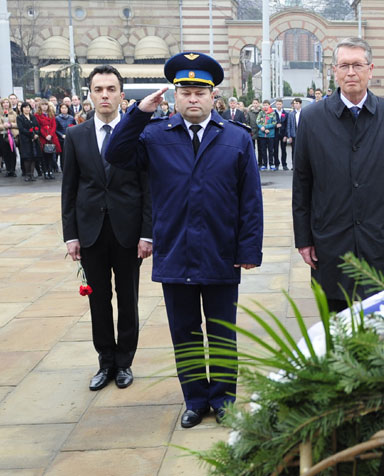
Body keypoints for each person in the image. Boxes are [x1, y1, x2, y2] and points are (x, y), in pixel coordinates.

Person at [104, 51, 263, 428]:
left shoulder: (236, 138)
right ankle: (195, 399)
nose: (193, 99)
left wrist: (248, 249)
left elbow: (250, 199)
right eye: (186, 92)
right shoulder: (155, 135)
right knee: (185, 333)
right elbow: (115, 153)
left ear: (213, 96)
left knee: (222, 333)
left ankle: (223, 400)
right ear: (174, 96)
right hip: (176, 251)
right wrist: (138, 113)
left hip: (221, 252)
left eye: (200, 92)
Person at [293, 37, 384, 312]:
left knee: (382, 324)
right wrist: (304, 239)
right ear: (334, 71)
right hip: (331, 240)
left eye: (358, 65)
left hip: (380, 238)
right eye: (344, 65)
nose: (351, 72)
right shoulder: (312, 118)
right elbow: (302, 183)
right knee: (336, 325)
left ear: (370, 70)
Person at [61, 65, 153, 392]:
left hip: (128, 233)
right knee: (98, 301)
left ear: (121, 94)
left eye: (111, 89)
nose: (104, 95)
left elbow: (147, 188)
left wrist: (147, 233)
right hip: (91, 232)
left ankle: (124, 361)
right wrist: (71, 235)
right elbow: (70, 189)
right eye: (98, 89)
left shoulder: (138, 135)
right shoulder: (76, 135)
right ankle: (105, 361)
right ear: (89, 94)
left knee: (128, 299)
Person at [35, 101, 60, 180]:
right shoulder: (37, 115)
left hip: (51, 137)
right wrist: (45, 135)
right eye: (43, 105)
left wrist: (50, 135)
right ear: (40, 106)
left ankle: (50, 171)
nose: (44, 106)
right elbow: (38, 126)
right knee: (44, 155)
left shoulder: (51, 114)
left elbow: (54, 126)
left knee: (51, 155)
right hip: (43, 137)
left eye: (46, 105)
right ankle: (45, 171)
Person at [55, 102, 77, 171]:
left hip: (70, 138)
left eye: (65, 108)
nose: (64, 109)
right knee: (63, 155)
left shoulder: (71, 118)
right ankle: (63, 168)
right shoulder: (57, 118)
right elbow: (56, 129)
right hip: (61, 139)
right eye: (62, 108)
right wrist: (61, 135)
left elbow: (75, 127)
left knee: (71, 154)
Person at [256, 100, 276, 170]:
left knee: (271, 150)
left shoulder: (273, 113)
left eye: (266, 105)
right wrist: (262, 128)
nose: (265, 106)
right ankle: (264, 164)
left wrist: (266, 127)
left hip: (270, 134)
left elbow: (274, 123)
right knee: (263, 150)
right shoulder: (261, 113)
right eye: (264, 105)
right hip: (262, 135)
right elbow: (258, 121)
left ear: (269, 105)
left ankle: (271, 163)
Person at [1, 98, 18, 176]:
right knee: (5, 153)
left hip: (11, 135)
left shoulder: (14, 113)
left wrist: (10, 125)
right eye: (4, 103)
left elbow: (17, 124)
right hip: (2, 134)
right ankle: (8, 170)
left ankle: (13, 170)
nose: (5, 104)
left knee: (12, 152)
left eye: (7, 102)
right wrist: (3, 126)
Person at [285, 97, 302, 170]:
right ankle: (294, 165)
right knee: (294, 151)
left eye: (297, 103)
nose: (295, 105)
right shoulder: (291, 114)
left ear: (300, 104)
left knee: (302, 151)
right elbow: (289, 125)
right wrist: (289, 136)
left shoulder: (303, 112)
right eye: (294, 103)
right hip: (294, 135)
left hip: (301, 135)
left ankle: (301, 165)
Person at [272, 99, 289, 170]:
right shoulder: (273, 113)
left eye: (280, 104)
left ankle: (284, 164)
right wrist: (275, 125)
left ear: (282, 105)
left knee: (283, 149)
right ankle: (276, 164)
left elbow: (287, 125)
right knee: (275, 149)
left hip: (283, 134)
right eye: (277, 104)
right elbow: (271, 122)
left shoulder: (285, 113)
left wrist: (286, 135)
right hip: (275, 134)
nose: (279, 106)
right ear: (275, 105)